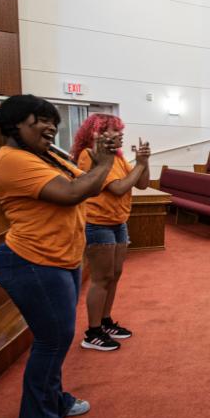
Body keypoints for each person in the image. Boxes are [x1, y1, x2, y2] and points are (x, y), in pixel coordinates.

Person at [0, 94, 116, 418]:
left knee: (57, 340)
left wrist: (101, 163)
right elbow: (75, 191)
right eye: (40, 121)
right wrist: (103, 162)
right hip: (33, 262)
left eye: (53, 123)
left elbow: (90, 182)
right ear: (16, 124)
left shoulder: (44, 157)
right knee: (51, 341)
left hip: (58, 260)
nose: (50, 128)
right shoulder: (13, 161)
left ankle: (54, 400)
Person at [71, 114, 150, 352]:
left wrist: (144, 162)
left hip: (118, 221)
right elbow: (118, 188)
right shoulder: (89, 155)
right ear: (97, 133)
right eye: (114, 130)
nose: (120, 134)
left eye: (120, 130)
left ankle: (105, 321)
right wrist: (138, 165)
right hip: (98, 223)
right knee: (101, 278)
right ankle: (92, 332)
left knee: (114, 274)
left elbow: (142, 184)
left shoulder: (117, 157)